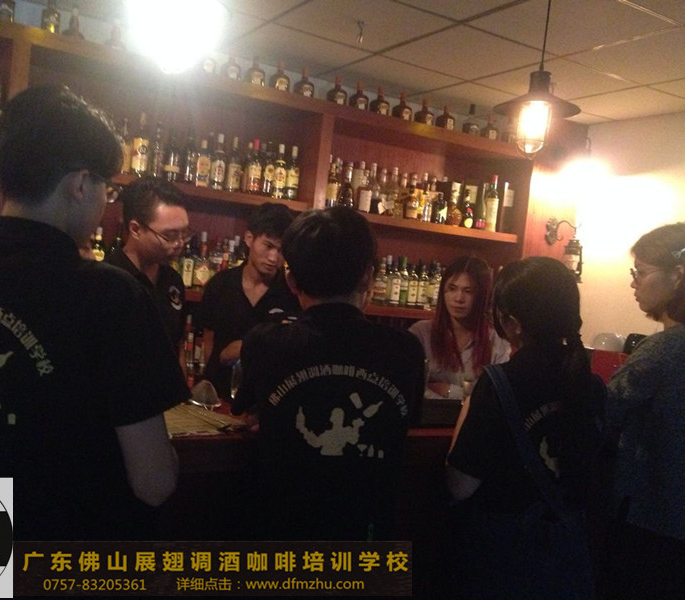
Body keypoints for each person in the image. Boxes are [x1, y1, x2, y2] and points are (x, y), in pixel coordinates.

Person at [0, 85, 188, 541]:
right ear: (81, 184)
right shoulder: (111, 295)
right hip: (56, 554)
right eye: (106, 188)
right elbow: (154, 483)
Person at [231, 206, 426, 540]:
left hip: (282, 538)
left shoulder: (265, 342)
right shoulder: (405, 350)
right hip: (369, 541)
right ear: (367, 277)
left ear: (291, 281)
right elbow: (408, 422)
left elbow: (245, 410)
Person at [446, 256, 605, 599]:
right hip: (567, 562)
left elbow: (459, 486)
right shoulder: (592, 385)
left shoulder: (499, 383)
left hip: (505, 563)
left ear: (512, 323)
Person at [602, 222, 685, 599]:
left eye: (640, 272)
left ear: (678, 275)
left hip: (655, 520)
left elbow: (603, 415)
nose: (633, 283)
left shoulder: (664, 350)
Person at [197, 201, 299, 398]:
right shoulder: (221, 284)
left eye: (281, 250)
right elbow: (208, 342)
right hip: (219, 394)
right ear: (249, 238)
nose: (273, 258)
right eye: (268, 246)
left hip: (268, 399)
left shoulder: (292, 293)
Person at [106, 177, 191, 357]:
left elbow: (176, 349)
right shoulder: (107, 279)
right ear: (136, 229)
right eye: (170, 235)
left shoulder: (173, 280)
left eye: (184, 233)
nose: (180, 243)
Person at [409, 255, 510, 400]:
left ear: (482, 296)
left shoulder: (497, 341)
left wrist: (448, 390)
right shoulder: (421, 333)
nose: (458, 298)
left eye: (468, 291)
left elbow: (495, 397)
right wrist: (466, 394)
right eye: (452, 289)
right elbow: (410, 387)